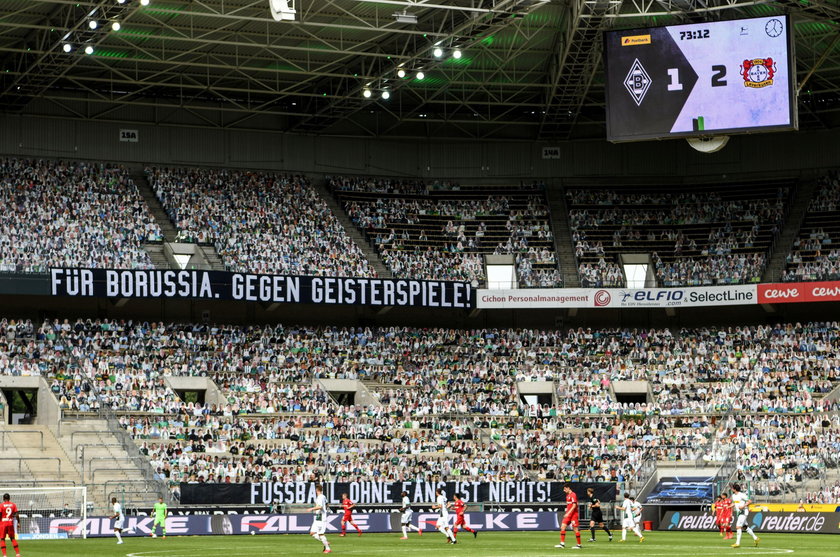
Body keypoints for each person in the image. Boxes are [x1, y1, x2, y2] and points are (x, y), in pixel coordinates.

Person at [730, 484, 759, 548]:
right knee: (745, 527)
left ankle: (737, 543)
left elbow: (749, 501)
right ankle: (756, 538)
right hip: (739, 513)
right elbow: (735, 502)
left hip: (743, 512)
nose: (731, 489)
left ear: (735, 489)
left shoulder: (742, 495)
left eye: (732, 488)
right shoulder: (733, 495)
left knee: (738, 526)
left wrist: (743, 506)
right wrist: (729, 506)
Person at [555, 484, 582, 549]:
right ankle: (562, 544)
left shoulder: (573, 495)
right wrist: (567, 512)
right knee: (563, 527)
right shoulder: (567, 495)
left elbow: (574, 505)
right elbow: (570, 505)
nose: (564, 490)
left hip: (573, 515)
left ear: (568, 488)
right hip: (568, 514)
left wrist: (568, 513)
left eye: (565, 489)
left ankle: (579, 545)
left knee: (575, 529)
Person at [307, 485, 331, 554]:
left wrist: (311, 509)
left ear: (317, 490)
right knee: (312, 533)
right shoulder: (323, 496)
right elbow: (327, 504)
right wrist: (325, 509)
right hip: (318, 517)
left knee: (320, 534)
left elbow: (320, 507)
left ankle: (327, 548)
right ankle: (326, 542)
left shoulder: (320, 497)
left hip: (321, 517)